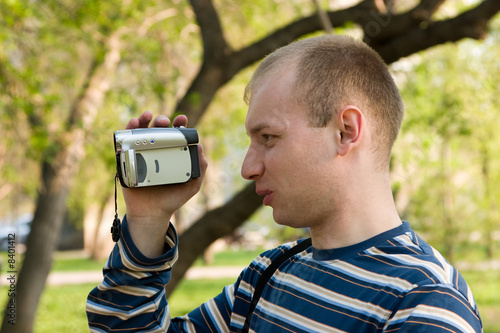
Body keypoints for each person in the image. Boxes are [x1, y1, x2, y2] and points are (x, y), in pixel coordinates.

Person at [87, 35, 482, 332]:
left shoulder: (426, 304)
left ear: (345, 131)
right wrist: (147, 220)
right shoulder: (268, 274)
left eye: (269, 138)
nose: (247, 167)